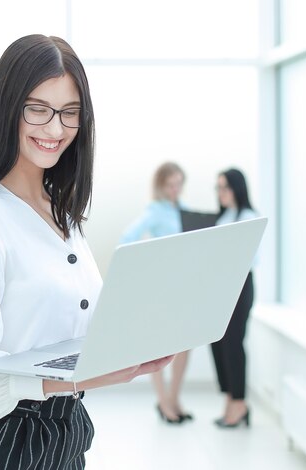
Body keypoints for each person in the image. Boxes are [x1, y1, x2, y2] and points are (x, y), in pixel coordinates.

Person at [0, 34, 174, 469]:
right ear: (7, 109)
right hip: (1, 446)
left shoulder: (63, 215)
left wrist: (142, 329)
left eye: (69, 113)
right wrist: (82, 376)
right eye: (38, 110)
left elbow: (75, 328)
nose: (55, 129)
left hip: (65, 437)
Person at [120, 162, 193, 424]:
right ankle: (163, 402)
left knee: (185, 345)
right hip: (163, 286)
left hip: (185, 285)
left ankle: (174, 398)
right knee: (161, 346)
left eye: (179, 184)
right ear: (161, 185)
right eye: (170, 184)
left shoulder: (183, 210)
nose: (175, 189)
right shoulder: (155, 211)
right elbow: (127, 238)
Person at [211, 167, 259, 428]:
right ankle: (230, 399)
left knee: (233, 344)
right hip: (220, 288)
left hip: (240, 287)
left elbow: (251, 257)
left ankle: (239, 404)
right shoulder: (224, 216)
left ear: (237, 189)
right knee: (218, 343)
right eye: (217, 188)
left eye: (224, 188)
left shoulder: (248, 216)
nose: (220, 193)